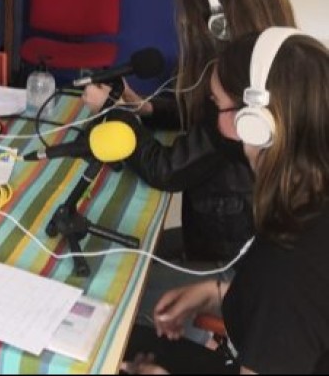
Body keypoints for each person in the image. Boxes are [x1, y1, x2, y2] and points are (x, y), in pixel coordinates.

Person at [123, 28, 329, 374]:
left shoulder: (288, 269)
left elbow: (285, 304)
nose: (213, 120)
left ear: (255, 123)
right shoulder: (304, 201)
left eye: (216, 105)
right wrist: (215, 293)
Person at [83, 0, 296, 263]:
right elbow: (204, 119)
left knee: (116, 258)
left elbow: (165, 170)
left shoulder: (243, 101)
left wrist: (113, 111)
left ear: (220, 26)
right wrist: (144, 107)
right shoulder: (263, 74)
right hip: (219, 231)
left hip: (224, 259)